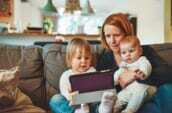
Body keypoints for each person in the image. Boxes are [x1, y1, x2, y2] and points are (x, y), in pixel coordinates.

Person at [95, 13, 172, 113]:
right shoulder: (104, 58)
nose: (112, 41)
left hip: (146, 96)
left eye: (116, 35)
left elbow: (168, 73)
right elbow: (101, 88)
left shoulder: (143, 51)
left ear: (127, 34)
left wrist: (134, 75)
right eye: (108, 36)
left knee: (167, 89)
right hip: (122, 101)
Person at [99, 36, 153, 113]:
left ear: (140, 51)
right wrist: (109, 80)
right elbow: (116, 77)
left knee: (140, 91)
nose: (128, 54)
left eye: (131, 51)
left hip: (145, 88)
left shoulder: (141, 60)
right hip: (129, 90)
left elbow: (146, 66)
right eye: (124, 52)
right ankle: (111, 109)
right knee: (119, 96)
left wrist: (143, 72)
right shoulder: (123, 66)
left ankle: (129, 110)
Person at [49, 37, 96, 113]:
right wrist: (72, 97)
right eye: (79, 58)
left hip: (89, 103)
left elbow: (97, 88)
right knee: (55, 99)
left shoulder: (92, 71)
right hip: (73, 104)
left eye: (87, 58)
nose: (83, 61)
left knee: (101, 99)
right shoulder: (66, 75)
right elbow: (65, 93)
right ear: (70, 60)